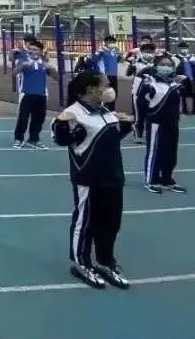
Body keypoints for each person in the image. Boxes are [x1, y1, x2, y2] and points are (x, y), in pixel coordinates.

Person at [52, 71, 133, 289]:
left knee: (110, 223)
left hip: (113, 176)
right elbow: (61, 139)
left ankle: (105, 261)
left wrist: (124, 125)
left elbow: (110, 140)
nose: (109, 89)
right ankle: (81, 263)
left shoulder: (105, 110)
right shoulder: (73, 113)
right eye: (105, 85)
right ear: (90, 89)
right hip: (88, 177)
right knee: (85, 223)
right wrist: (62, 125)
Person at [136, 54, 186, 194]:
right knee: (154, 152)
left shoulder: (175, 84)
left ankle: (167, 180)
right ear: (156, 66)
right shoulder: (150, 83)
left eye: (169, 65)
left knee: (170, 152)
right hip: (156, 123)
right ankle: (151, 181)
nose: (166, 67)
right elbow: (141, 103)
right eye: (163, 64)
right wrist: (147, 117)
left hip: (172, 123)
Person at [12, 39, 58, 149]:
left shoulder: (44, 64)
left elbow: (56, 78)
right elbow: (14, 73)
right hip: (26, 94)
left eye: (35, 49)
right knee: (23, 119)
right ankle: (18, 139)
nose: (32, 51)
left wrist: (52, 68)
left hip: (41, 95)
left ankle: (33, 139)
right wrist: (23, 65)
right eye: (30, 49)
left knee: (38, 119)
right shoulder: (24, 61)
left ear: (40, 51)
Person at [124, 40, 157, 143]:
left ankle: (150, 134)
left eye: (151, 52)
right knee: (139, 116)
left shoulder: (156, 63)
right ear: (141, 52)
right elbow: (128, 74)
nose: (149, 54)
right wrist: (132, 64)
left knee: (152, 115)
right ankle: (137, 135)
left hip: (153, 94)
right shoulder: (136, 63)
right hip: (138, 94)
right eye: (146, 52)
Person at [94, 36, 122, 109]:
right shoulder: (101, 50)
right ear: (106, 42)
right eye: (110, 42)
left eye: (113, 42)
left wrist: (119, 53)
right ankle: (102, 109)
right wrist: (97, 53)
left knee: (113, 94)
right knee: (104, 94)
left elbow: (120, 60)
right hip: (104, 75)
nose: (111, 43)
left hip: (114, 75)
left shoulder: (114, 51)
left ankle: (112, 110)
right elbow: (94, 60)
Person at [175, 42, 194, 116]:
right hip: (179, 79)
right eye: (182, 48)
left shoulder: (192, 57)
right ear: (179, 49)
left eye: (186, 48)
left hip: (190, 80)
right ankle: (180, 110)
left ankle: (190, 110)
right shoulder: (175, 57)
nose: (184, 50)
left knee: (189, 94)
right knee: (179, 94)